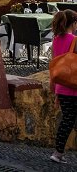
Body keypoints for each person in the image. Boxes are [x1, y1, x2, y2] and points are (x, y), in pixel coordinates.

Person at [50, 9, 77, 164]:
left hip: (61, 86)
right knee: (69, 120)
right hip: (74, 86)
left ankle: (58, 152)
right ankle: (57, 153)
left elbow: (55, 63)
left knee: (66, 119)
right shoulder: (74, 40)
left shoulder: (56, 40)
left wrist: (54, 88)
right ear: (73, 23)